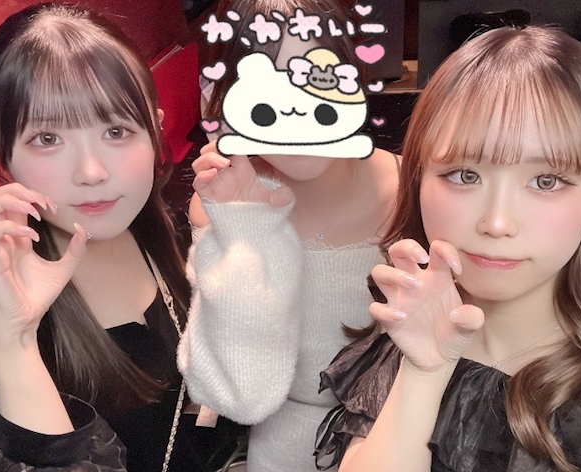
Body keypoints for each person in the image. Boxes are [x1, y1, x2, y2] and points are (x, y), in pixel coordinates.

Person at [314, 25, 581, 472]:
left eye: (546, 181)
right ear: (417, 181)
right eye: (465, 175)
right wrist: (423, 372)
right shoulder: (410, 327)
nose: (497, 223)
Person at [0, 4, 242, 471]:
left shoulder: (180, 236)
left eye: (116, 130)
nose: (91, 172)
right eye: (47, 139)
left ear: (154, 130)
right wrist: (16, 341)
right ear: (0, 151)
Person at [176, 0, 400, 470]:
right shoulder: (223, 207)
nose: (294, 108)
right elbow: (234, 390)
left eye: (314, 77)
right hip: (279, 450)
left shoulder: (413, 188)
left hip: (404, 441)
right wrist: (245, 228)